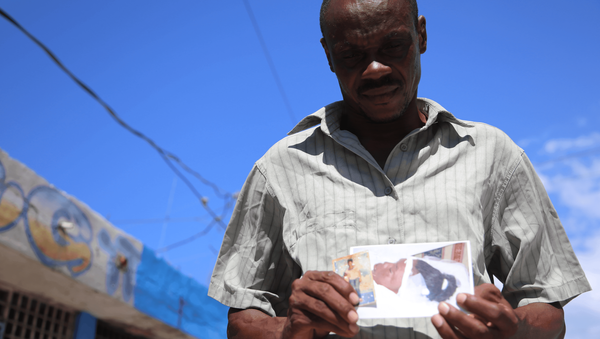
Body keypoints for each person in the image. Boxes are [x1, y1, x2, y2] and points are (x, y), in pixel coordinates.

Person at [208, 0, 591, 338]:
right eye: (350, 55)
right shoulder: (280, 169)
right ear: (328, 55)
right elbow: (242, 319)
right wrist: (290, 329)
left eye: (393, 46)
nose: (375, 69)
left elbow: (548, 310)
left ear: (420, 35)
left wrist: (513, 329)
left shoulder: (492, 155)